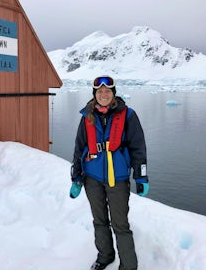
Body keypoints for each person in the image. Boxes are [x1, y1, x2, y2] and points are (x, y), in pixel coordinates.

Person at [70, 75, 148, 270]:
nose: (103, 94)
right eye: (99, 91)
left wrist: (141, 176)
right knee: (99, 220)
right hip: (92, 178)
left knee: (120, 224)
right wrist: (76, 177)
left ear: (114, 93)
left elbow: (138, 148)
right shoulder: (87, 116)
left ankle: (128, 266)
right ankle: (105, 256)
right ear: (95, 94)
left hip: (118, 178)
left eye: (107, 91)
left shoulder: (128, 115)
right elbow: (79, 148)